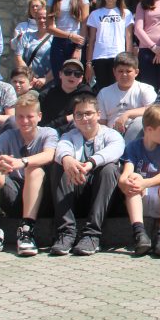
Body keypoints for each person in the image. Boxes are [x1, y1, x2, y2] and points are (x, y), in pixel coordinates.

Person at [0, 93, 58, 257]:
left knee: (34, 169)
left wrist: (21, 162)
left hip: (42, 199)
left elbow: (49, 155)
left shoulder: (48, 133)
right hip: (16, 195)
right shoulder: (9, 135)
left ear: (39, 116)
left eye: (29, 116)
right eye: (20, 117)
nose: (24, 121)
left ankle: (27, 231)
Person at [50, 94, 125, 256]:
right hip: (76, 191)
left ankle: (92, 235)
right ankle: (66, 233)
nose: (84, 118)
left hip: (103, 196)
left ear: (98, 114)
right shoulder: (69, 136)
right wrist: (67, 159)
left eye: (88, 113)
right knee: (59, 166)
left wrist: (91, 162)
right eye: (79, 114)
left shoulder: (111, 134)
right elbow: (62, 148)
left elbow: (115, 150)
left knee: (110, 169)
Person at [119, 104, 160, 258]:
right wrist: (124, 181)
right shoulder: (133, 147)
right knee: (133, 178)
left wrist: (144, 183)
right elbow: (127, 172)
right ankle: (139, 233)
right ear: (149, 129)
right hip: (140, 199)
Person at [85, 0, 134, 92]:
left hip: (119, 56)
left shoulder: (126, 13)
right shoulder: (95, 14)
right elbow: (91, 40)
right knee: (103, 91)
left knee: (119, 89)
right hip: (99, 57)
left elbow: (129, 37)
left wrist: (129, 58)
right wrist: (88, 63)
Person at [45, 0, 90, 82]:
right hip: (59, 43)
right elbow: (49, 27)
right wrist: (69, 35)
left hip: (77, 43)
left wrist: (79, 48)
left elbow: (85, 24)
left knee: (77, 79)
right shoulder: (52, 0)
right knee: (60, 80)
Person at [96, 52, 157, 139]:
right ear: (114, 72)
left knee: (139, 121)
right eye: (120, 71)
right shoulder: (104, 93)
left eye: (128, 71)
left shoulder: (145, 89)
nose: (124, 75)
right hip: (111, 135)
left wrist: (127, 114)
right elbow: (102, 121)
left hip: (139, 136)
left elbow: (155, 110)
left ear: (136, 72)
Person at [38, 58, 94, 134]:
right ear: (60, 74)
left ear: (81, 78)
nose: (72, 76)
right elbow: (42, 127)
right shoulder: (46, 96)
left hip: (78, 134)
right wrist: (66, 119)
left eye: (77, 74)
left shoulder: (86, 94)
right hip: (51, 135)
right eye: (68, 72)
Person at [11, 0, 53, 90]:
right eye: (39, 18)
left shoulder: (55, 38)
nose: (41, 20)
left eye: (44, 18)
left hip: (50, 84)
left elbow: (59, 62)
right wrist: (30, 77)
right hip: (29, 83)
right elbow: (18, 57)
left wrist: (46, 79)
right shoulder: (26, 36)